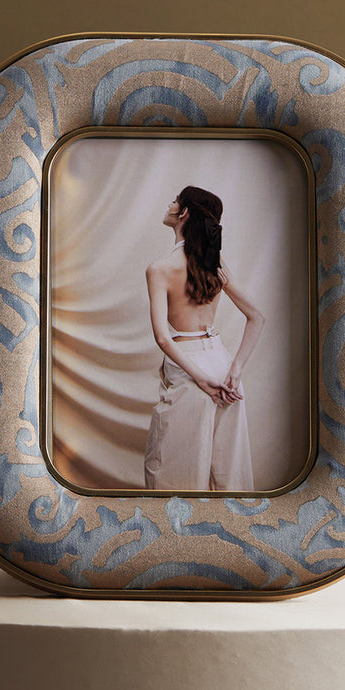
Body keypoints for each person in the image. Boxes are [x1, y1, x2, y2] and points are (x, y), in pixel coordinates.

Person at [144, 185, 265, 491]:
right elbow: (257, 317)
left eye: (174, 200)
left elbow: (163, 338)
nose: (168, 204)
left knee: (176, 472)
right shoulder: (216, 261)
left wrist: (200, 378)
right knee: (230, 472)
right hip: (222, 364)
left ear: (183, 212)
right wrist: (234, 370)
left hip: (189, 367)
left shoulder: (159, 269)